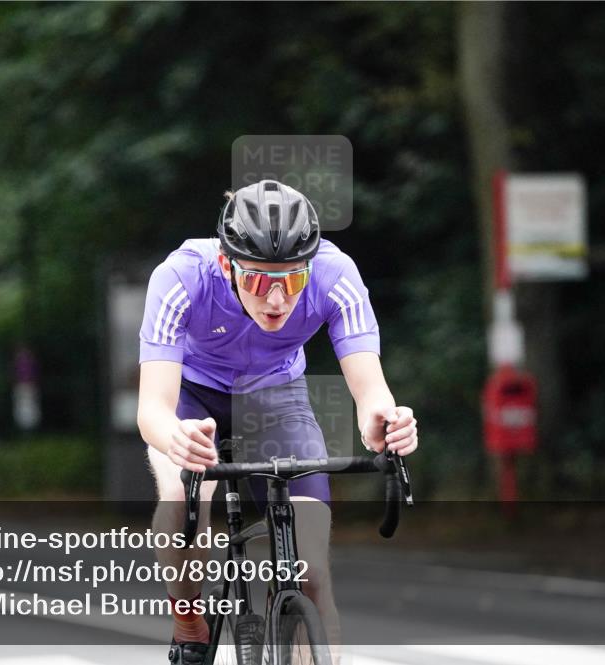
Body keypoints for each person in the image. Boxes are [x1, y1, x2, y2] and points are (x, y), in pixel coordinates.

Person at [137, 180, 418, 665]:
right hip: (191, 397)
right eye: (259, 281)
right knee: (184, 500)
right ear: (227, 265)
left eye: (291, 281)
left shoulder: (336, 275)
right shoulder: (181, 278)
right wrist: (175, 439)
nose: (276, 299)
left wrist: (384, 423)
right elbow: (152, 410)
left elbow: (371, 390)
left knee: (310, 569)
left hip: (276, 396)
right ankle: (188, 620)